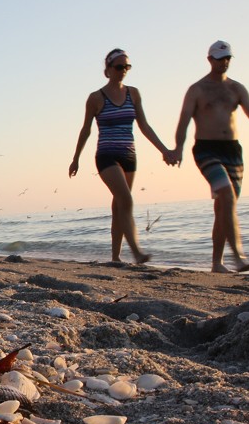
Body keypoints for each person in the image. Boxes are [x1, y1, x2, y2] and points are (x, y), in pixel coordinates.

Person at [172, 40, 249, 273]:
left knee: (223, 207)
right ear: (209, 59)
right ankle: (238, 256)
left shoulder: (236, 88)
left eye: (227, 58)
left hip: (232, 151)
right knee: (227, 195)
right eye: (220, 58)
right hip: (206, 149)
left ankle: (217, 263)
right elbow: (183, 121)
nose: (224, 62)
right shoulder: (197, 89)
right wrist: (178, 148)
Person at [69, 48, 175, 264]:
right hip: (106, 156)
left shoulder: (133, 93)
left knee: (119, 205)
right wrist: (76, 158)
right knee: (126, 199)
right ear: (107, 70)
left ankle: (115, 257)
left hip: (129, 155)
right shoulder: (96, 98)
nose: (123, 70)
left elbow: (144, 125)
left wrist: (164, 149)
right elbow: (86, 130)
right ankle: (136, 252)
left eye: (127, 66)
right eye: (119, 67)